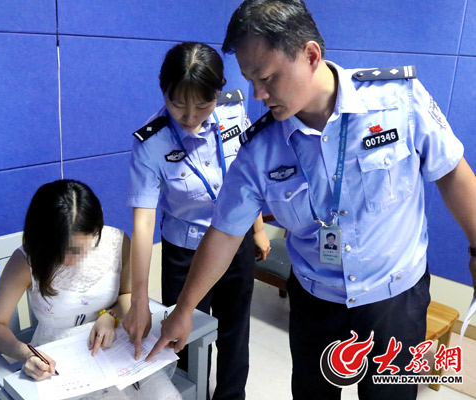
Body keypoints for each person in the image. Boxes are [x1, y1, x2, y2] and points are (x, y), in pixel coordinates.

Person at [147, 1, 476, 399]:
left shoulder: (398, 101)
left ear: (310, 55)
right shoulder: (260, 148)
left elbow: (452, 173)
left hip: (394, 295)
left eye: (267, 78)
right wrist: (184, 309)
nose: (258, 94)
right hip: (315, 299)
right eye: (250, 80)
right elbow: (225, 232)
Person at [123, 42, 271, 400]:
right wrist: (139, 298)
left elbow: (247, 179)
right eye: (178, 104)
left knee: (235, 334)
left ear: (218, 92)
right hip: (185, 254)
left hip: (235, 244)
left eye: (203, 104)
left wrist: (258, 229)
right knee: (183, 340)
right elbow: (143, 223)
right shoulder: (151, 142)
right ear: (163, 90)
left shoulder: (233, 114)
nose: (190, 116)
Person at [0, 179, 182, 400]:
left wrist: (110, 316)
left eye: (79, 249)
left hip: (114, 343)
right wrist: (27, 354)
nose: (70, 260)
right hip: (58, 358)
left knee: (165, 396)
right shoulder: (26, 261)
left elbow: (127, 295)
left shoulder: (116, 242)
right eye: (62, 250)